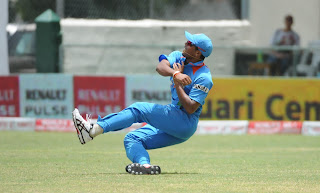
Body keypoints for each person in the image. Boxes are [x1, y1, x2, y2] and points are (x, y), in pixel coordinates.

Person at [72, 31, 213, 175]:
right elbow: (160, 67)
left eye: (190, 44)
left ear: (197, 53)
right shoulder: (179, 57)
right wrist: (175, 74)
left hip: (185, 121)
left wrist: (177, 84)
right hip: (175, 118)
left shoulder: (204, 77)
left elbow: (190, 108)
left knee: (139, 109)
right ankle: (145, 166)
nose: (185, 44)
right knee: (132, 138)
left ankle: (93, 130)